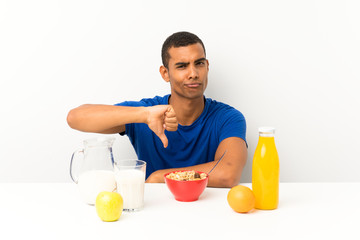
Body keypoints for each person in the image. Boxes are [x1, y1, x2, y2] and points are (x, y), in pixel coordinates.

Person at [67, 31, 247, 188]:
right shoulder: (146, 112)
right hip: (152, 213)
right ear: (165, 73)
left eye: (199, 63)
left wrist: (161, 177)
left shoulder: (228, 118)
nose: (193, 73)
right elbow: (75, 118)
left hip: (208, 211)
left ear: (207, 66)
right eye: (182, 66)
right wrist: (144, 115)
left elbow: (228, 174)